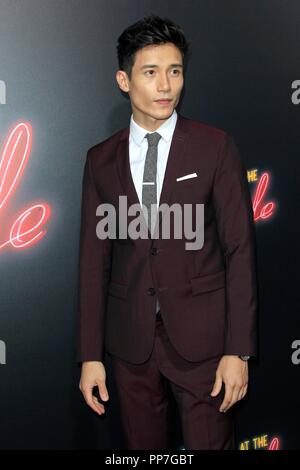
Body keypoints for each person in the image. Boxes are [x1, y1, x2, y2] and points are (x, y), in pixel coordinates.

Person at [77, 14, 258, 450]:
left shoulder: (216, 147)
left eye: (174, 72)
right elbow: (92, 263)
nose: (165, 86)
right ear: (124, 80)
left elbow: (239, 251)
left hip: (206, 345)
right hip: (130, 344)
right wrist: (89, 356)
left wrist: (239, 351)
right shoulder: (100, 160)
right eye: (151, 72)